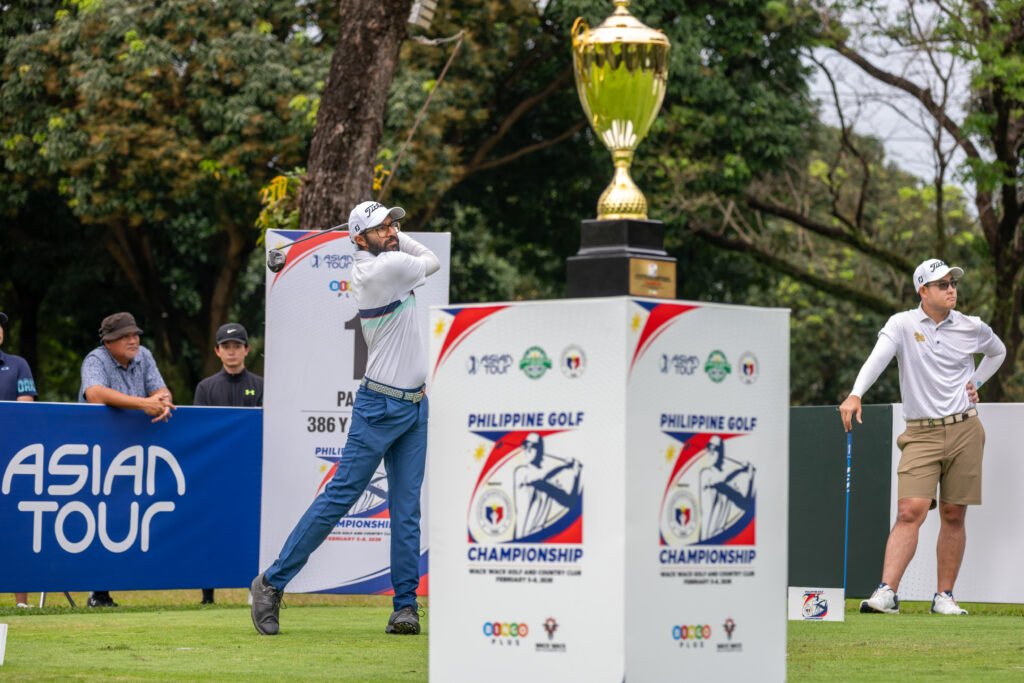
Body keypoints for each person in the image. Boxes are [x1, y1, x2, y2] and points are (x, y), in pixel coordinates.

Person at [250, 201, 439, 637]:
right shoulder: (379, 271)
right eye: (380, 228)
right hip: (379, 408)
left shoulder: (383, 257)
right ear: (358, 239)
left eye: (393, 223)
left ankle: (405, 607)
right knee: (338, 498)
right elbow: (431, 259)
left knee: (407, 511)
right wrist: (394, 240)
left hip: (413, 406)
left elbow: (409, 250)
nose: (391, 231)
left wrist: (384, 229)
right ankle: (271, 583)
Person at [840, 258, 1005, 616]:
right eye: (942, 284)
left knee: (953, 513)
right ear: (923, 291)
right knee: (909, 511)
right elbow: (878, 358)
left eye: (952, 283)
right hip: (921, 432)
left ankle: (944, 596)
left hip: (965, 428)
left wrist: (976, 382)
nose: (951, 289)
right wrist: (856, 393)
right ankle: (887, 593)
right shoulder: (902, 324)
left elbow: (998, 351)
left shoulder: (971, 326)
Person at [80, 311, 176, 608]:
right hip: (100, 454)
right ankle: (98, 591)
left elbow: (159, 388)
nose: (134, 340)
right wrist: (143, 403)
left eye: (135, 334)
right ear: (109, 342)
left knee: (133, 515)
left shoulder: (143, 355)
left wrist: (162, 399)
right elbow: (95, 393)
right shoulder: (96, 359)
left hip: (136, 451)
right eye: (126, 336)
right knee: (102, 518)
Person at [194, 322, 264, 604]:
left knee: (251, 533)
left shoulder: (260, 386)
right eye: (226, 346)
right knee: (211, 530)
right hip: (216, 474)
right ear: (217, 351)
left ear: (247, 350)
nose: (232, 351)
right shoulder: (206, 388)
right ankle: (207, 595)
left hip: (252, 475)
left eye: (237, 346)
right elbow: (201, 431)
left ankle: (254, 590)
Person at [0, 311, 38, 608]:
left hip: (12, 458)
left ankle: (22, 603)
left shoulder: (17, 365)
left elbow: (25, 409)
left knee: (17, 527)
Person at [512, 433, 582, 540]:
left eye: (533, 446)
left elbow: (570, 502)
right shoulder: (521, 472)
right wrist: (565, 465)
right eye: (526, 444)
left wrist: (577, 475)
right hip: (522, 539)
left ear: (540, 451)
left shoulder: (547, 483)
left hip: (541, 540)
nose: (528, 449)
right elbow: (541, 475)